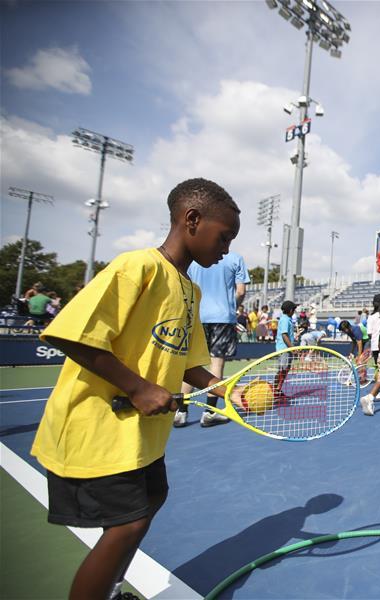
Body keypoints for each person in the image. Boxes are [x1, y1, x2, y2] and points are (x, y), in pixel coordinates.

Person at [29, 177, 240, 600]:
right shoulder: (137, 266)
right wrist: (139, 388)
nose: (227, 249)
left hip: (141, 437)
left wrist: (224, 390)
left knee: (151, 500)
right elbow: (72, 335)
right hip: (101, 427)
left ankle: (111, 589)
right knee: (126, 524)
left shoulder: (191, 289)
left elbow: (187, 360)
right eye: (224, 237)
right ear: (192, 220)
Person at [174, 250, 249, 428]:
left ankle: (181, 412)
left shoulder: (196, 258)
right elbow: (240, 291)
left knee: (191, 365)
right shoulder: (236, 258)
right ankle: (209, 412)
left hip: (197, 316)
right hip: (222, 317)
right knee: (217, 364)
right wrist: (232, 307)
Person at [274, 301, 298, 398]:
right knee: (282, 370)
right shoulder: (284, 320)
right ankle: (274, 391)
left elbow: (287, 335)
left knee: (284, 370)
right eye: (293, 310)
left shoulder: (287, 319)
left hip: (287, 349)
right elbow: (284, 335)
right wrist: (292, 348)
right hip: (284, 349)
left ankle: (277, 390)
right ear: (291, 310)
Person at [338, 319, 369, 385]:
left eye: (343, 330)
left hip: (367, 341)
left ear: (347, 328)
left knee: (362, 360)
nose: (343, 332)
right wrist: (351, 352)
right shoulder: (349, 332)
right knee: (358, 361)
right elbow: (354, 342)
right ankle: (362, 377)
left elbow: (359, 343)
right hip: (361, 342)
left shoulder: (356, 330)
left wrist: (359, 355)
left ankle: (364, 379)